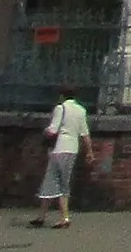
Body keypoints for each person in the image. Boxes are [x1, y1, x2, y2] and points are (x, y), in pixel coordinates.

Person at [33, 89, 90, 227]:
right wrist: (90, 151)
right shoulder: (81, 110)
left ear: (62, 95)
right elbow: (85, 133)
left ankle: (64, 217)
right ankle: (42, 216)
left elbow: (53, 130)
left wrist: (44, 131)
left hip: (59, 148)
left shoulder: (61, 108)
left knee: (53, 181)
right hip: (72, 149)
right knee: (60, 180)